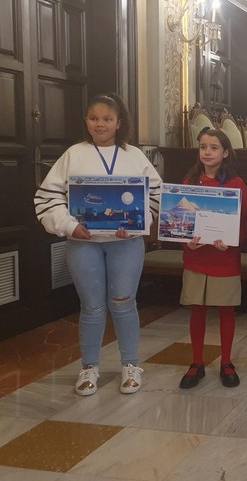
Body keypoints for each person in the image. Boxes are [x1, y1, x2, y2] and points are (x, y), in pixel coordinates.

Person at [34, 93, 161, 396]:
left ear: (119, 123)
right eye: (94, 118)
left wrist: (137, 224)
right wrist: (69, 226)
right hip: (84, 243)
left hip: (126, 244)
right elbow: (47, 197)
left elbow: (156, 195)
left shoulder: (134, 156)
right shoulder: (73, 155)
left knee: (124, 303)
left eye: (107, 119)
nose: (100, 124)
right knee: (91, 307)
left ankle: (131, 365)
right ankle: (89, 366)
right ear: (86, 122)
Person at [177, 129, 247, 389]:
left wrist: (232, 240)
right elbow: (179, 220)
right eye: (202, 147)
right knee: (197, 309)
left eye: (213, 147)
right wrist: (185, 241)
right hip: (196, 257)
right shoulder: (190, 181)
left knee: (226, 310)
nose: (207, 152)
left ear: (226, 152)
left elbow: (245, 223)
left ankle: (227, 362)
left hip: (225, 258)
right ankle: (196, 362)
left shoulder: (236, 184)